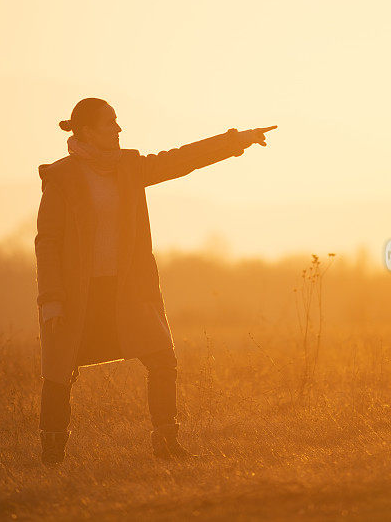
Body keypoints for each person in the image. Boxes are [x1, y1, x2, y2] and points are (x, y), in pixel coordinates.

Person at [35, 97, 276, 464]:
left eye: (118, 122)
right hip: (76, 295)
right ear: (84, 130)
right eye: (109, 123)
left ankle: (166, 443)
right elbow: (47, 242)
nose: (118, 129)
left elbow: (180, 160)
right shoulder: (62, 177)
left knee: (163, 360)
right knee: (59, 374)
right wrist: (52, 299)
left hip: (128, 290)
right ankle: (52, 455)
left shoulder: (129, 167)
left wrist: (234, 141)